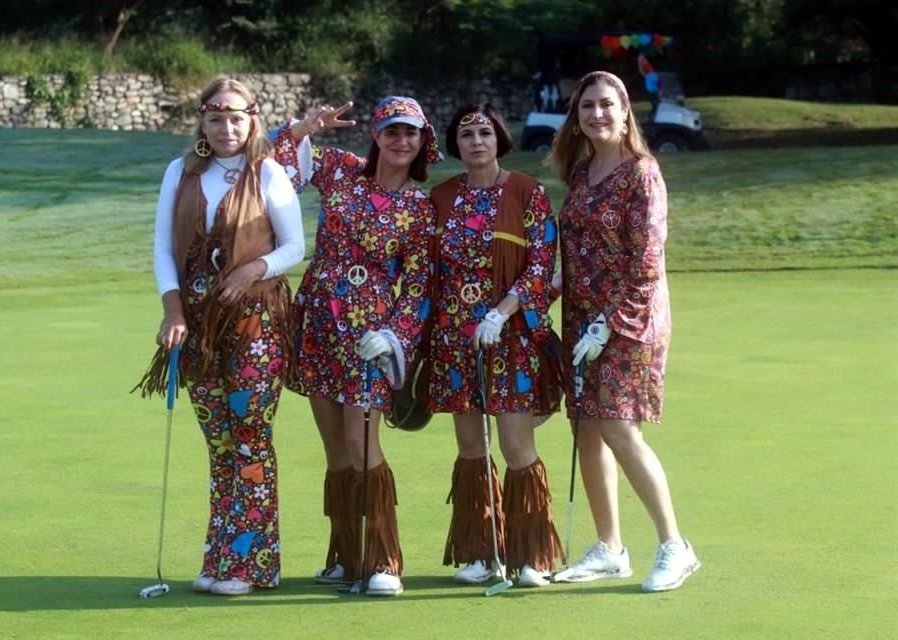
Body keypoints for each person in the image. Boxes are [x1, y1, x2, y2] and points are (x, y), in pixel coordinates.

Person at [136, 78, 304, 596]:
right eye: (216, 118)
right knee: (220, 443)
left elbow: (295, 246)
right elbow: (163, 248)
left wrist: (253, 267)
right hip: (198, 328)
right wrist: (172, 310)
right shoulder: (180, 172)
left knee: (250, 436)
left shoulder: (269, 171)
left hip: (256, 321)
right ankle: (222, 557)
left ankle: (254, 564)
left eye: (236, 118)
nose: (227, 128)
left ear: (252, 120)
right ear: (202, 123)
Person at [271, 96, 442, 597]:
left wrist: (394, 337)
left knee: (362, 442)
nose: (400, 141)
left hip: (370, 338)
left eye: (410, 133)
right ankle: (346, 557)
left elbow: (418, 287)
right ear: (376, 135)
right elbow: (282, 177)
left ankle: (384, 559)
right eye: (391, 131)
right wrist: (300, 130)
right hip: (319, 325)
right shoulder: (342, 170)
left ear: (422, 141)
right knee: (334, 445)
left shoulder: (418, 208)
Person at [549, 71, 700, 592]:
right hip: (581, 317)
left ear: (625, 111)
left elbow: (647, 263)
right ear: (577, 117)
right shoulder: (581, 172)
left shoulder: (642, 174)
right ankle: (610, 547)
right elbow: (571, 252)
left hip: (631, 320)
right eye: (587, 106)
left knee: (616, 425)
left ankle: (674, 546)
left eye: (607, 105)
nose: (597, 114)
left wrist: (609, 324)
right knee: (586, 428)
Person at [427, 103, 563, 588]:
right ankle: (482, 552)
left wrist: (501, 312)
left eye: (485, 133)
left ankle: (532, 555)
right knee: (470, 446)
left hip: (511, 337)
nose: (476, 142)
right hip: (454, 340)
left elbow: (541, 265)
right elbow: (426, 270)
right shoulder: (441, 196)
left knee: (514, 444)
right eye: (467, 136)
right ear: (456, 145)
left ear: (499, 138)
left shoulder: (527, 192)